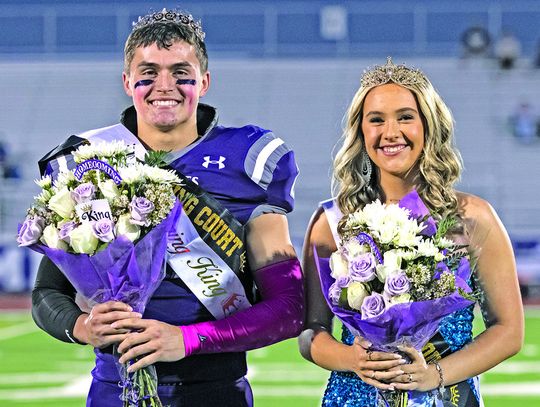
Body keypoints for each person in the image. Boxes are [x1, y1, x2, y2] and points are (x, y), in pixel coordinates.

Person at [31, 8, 303, 407]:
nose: (165, 85)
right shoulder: (91, 162)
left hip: (216, 390)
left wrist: (188, 340)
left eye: (180, 71)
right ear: (127, 82)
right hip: (114, 387)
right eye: (149, 72)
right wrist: (83, 326)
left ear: (204, 82)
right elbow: (46, 292)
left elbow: (290, 308)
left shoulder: (247, 159)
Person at [298, 57, 524, 406]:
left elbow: (509, 332)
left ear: (428, 126)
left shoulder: (471, 218)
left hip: (446, 396)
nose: (390, 133)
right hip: (353, 396)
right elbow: (311, 331)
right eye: (376, 120)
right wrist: (353, 360)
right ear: (361, 132)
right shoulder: (332, 221)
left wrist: (434, 375)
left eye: (405, 117)